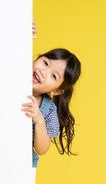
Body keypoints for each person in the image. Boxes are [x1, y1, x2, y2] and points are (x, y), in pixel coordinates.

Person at [21, 21, 81, 182]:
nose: (43, 71)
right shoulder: (16, 73)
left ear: (56, 90)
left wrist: (39, 120)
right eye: (45, 62)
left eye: (54, 76)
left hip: (20, 166)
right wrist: (24, 39)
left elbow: (42, 149)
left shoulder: (47, 109)